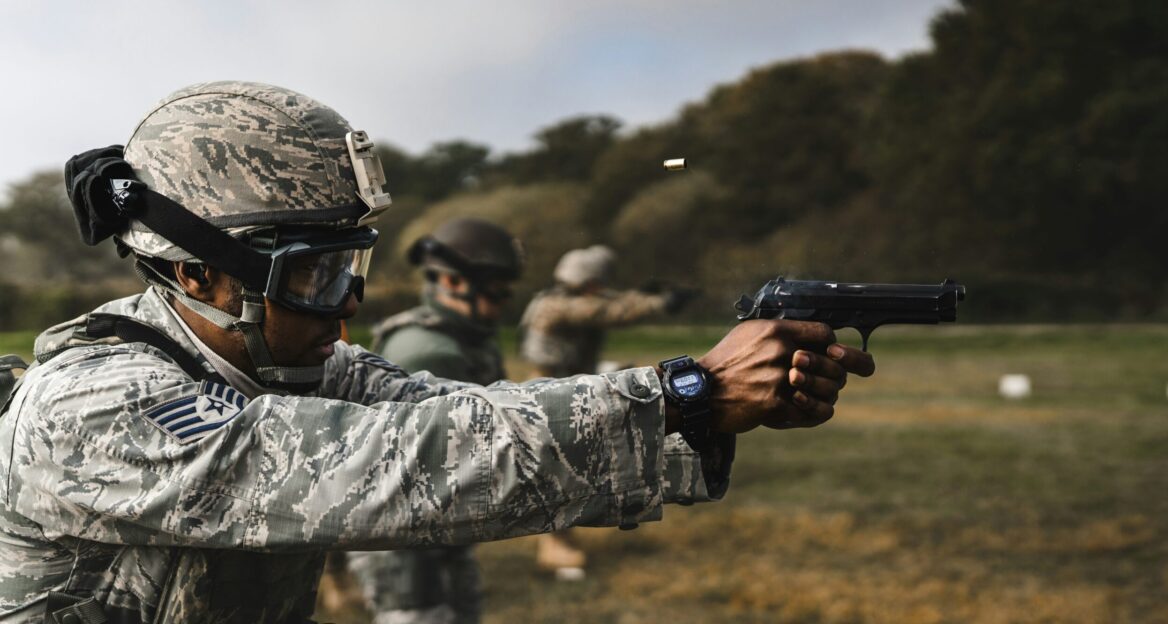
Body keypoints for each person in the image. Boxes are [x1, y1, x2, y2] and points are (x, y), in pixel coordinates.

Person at [0, 81, 874, 624]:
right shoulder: (95, 404)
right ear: (198, 272)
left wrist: (710, 398)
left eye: (350, 266)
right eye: (311, 274)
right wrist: (683, 395)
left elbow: (452, 418)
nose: (344, 309)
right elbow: (388, 464)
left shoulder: (291, 364)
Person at [341, 218, 523, 624]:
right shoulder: (429, 350)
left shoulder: (464, 338)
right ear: (454, 283)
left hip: (440, 516)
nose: (502, 303)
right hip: (404, 529)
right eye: (496, 291)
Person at [519, 245, 693, 577]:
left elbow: (607, 302)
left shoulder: (562, 296)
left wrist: (641, 295)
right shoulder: (557, 305)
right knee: (557, 470)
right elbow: (606, 312)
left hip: (569, 385)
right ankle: (556, 544)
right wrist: (660, 303)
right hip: (551, 393)